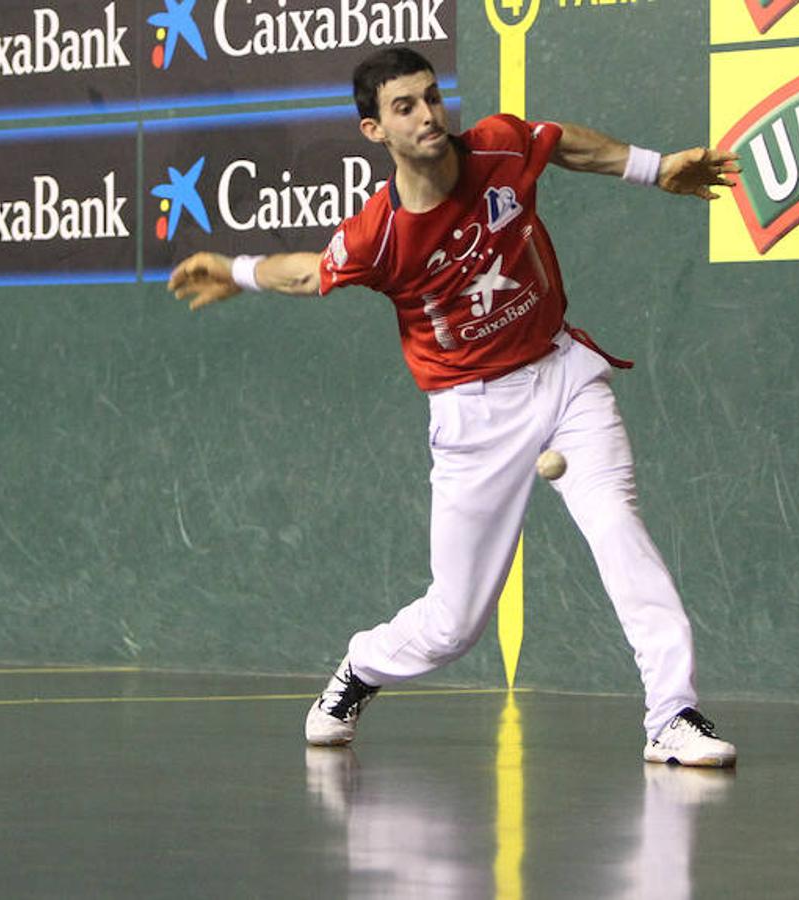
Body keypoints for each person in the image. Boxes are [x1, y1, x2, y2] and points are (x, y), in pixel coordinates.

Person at [168, 47, 738, 767]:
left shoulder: (497, 147)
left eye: (431, 97)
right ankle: (362, 667)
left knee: (617, 526)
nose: (427, 115)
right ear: (373, 131)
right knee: (455, 623)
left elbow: (560, 141)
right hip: (472, 416)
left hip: (561, 375)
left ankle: (672, 715)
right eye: (403, 107)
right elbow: (309, 272)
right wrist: (239, 270)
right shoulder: (380, 234)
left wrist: (653, 167)